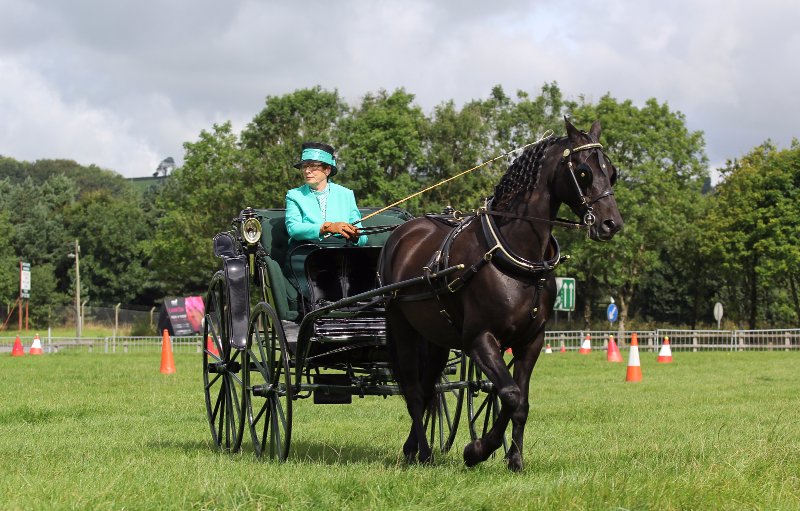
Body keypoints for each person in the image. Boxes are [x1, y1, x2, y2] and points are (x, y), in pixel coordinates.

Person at [285, 141, 367, 246]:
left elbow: (363, 238)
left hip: (340, 253)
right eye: (304, 166)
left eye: (313, 166)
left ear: (327, 170)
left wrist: (355, 236)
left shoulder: (346, 194)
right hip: (305, 251)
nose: (307, 171)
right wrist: (327, 227)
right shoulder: (294, 195)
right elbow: (294, 229)